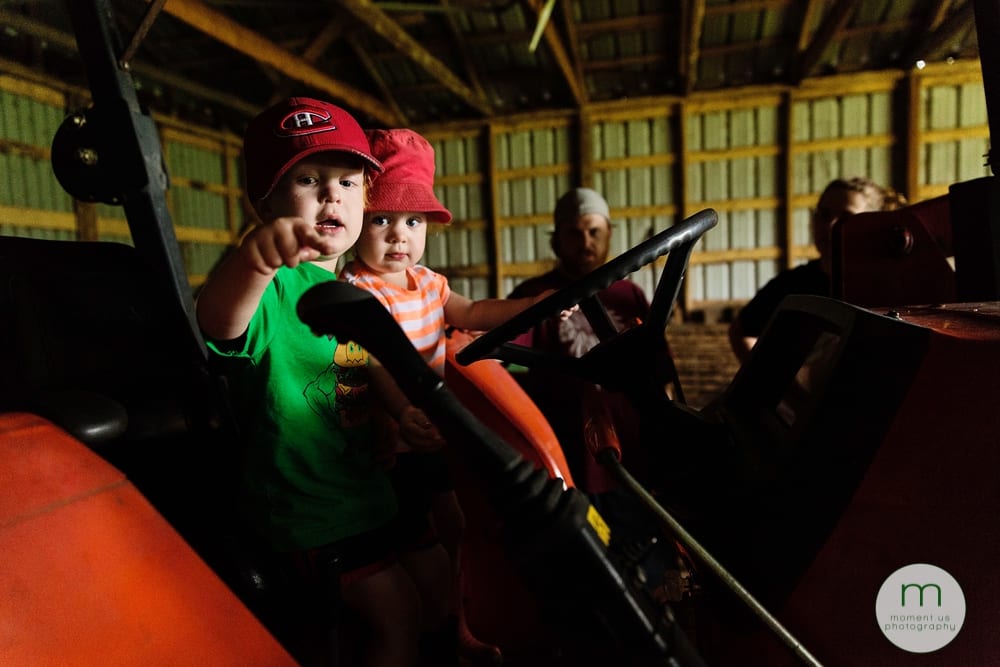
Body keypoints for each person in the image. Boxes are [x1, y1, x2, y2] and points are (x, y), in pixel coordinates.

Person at [195, 97, 437, 667]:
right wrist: (254, 262)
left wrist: (398, 414)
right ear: (266, 201)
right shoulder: (271, 285)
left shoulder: (353, 289)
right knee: (400, 616)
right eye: (308, 179)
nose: (333, 196)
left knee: (441, 577)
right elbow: (219, 327)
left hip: (363, 493)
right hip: (308, 511)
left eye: (349, 183)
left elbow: (365, 366)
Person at [341, 128, 567, 666]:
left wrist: (529, 307)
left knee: (459, 528)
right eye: (383, 220)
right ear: (358, 223)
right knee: (417, 535)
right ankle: (426, 629)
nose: (400, 235)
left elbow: (472, 314)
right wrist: (401, 411)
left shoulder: (429, 284)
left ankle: (458, 623)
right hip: (393, 437)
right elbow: (369, 361)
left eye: (413, 222)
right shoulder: (356, 289)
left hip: (435, 429)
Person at [507, 187, 655, 494]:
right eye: (575, 234)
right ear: (556, 240)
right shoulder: (533, 297)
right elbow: (499, 355)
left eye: (594, 232)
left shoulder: (630, 295)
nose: (585, 242)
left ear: (609, 234)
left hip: (630, 448)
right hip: (562, 447)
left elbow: (658, 371)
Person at [728, 177, 907, 364]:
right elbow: (741, 331)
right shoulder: (791, 285)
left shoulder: (889, 288)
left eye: (846, 218)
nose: (830, 225)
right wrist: (774, 385)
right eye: (824, 214)